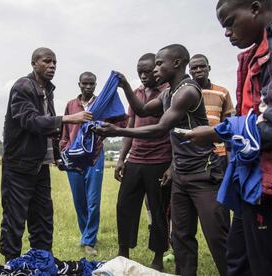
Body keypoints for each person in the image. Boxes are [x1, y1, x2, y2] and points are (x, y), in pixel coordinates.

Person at [95, 44, 229, 276]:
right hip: (182, 175)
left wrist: (116, 132)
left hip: (203, 174)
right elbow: (142, 110)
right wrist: (126, 85)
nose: (155, 69)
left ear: (176, 63)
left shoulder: (187, 91)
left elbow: (160, 129)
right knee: (181, 237)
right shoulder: (168, 93)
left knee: (218, 237)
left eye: (159, 63)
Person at [185, 1, 272, 275]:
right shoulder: (261, 51)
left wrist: (217, 132)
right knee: (238, 259)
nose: (226, 33)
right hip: (254, 181)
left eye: (230, 22)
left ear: (256, 8)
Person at [0, 47, 92, 262]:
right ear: (33, 63)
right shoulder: (23, 86)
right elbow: (29, 120)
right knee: (14, 218)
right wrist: (67, 119)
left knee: (42, 217)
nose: (52, 66)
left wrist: (58, 156)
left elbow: (48, 128)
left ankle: (42, 261)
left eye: (55, 63)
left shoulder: (47, 90)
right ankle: (10, 265)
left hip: (40, 165)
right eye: (47, 61)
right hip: (19, 165)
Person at [114, 53, 172, 271]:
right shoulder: (137, 92)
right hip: (135, 160)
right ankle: (123, 253)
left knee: (158, 210)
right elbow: (132, 123)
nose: (144, 75)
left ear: (157, 69)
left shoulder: (167, 92)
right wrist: (121, 158)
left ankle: (158, 257)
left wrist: (172, 165)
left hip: (159, 159)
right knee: (124, 207)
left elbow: (173, 130)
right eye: (140, 71)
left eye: (148, 71)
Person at [59, 72, 105, 256]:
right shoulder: (71, 105)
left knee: (93, 200)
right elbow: (65, 130)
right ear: (79, 84)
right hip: (73, 156)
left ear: (96, 84)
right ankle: (86, 232)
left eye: (91, 84)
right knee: (79, 200)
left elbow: (113, 122)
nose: (88, 87)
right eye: (84, 84)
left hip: (94, 155)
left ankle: (89, 241)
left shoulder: (101, 103)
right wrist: (62, 150)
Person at [189, 54, 235, 169]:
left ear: (209, 68)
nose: (198, 70)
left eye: (202, 66)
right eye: (194, 68)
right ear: (189, 71)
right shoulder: (185, 93)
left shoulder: (222, 92)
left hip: (218, 153)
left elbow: (228, 125)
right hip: (192, 153)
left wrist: (230, 156)